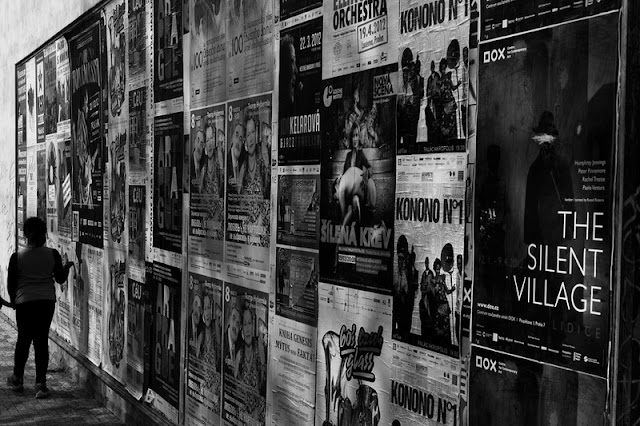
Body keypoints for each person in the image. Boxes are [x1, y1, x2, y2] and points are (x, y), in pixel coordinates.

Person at [7, 217, 73, 398]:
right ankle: (40, 384)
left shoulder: (17, 257)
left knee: (23, 341)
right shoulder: (52, 254)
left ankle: (18, 379)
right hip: (46, 303)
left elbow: (11, 284)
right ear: (44, 234)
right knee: (41, 341)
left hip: (24, 304)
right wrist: (66, 267)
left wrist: (14, 301)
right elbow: (59, 278)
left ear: (26, 235)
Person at [236, 301, 266, 422]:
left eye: (250, 323)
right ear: (242, 328)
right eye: (245, 324)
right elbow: (235, 388)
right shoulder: (239, 354)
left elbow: (264, 378)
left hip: (258, 412)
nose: (247, 328)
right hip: (242, 411)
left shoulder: (258, 347)